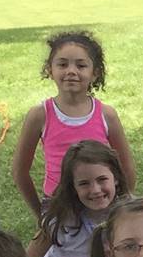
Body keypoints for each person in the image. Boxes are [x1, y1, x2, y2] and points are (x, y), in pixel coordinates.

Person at [9, 31, 134, 221]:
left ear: (95, 73)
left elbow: (127, 167)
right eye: (62, 64)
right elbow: (20, 170)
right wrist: (40, 213)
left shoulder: (106, 115)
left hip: (99, 201)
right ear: (50, 70)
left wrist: (122, 207)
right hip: (59, 205)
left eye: (81, 65)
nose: (71, 71)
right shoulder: (40, 115)